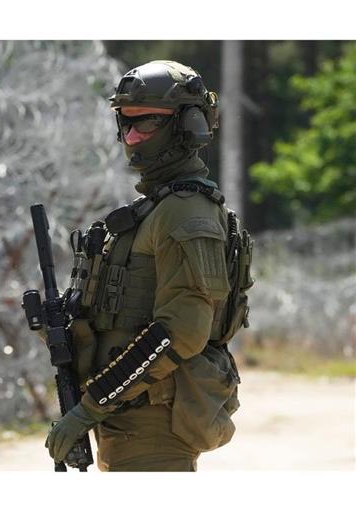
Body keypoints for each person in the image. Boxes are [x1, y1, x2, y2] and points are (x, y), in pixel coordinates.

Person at [44, 60, 251, 471]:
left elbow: (181, 333)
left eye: (148, 122)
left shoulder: (186, 214)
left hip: (155, 423)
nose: (133, 136)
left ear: (188, 126)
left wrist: (91, 406)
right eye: (126, 122)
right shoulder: (154, 210)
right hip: (129, 417)